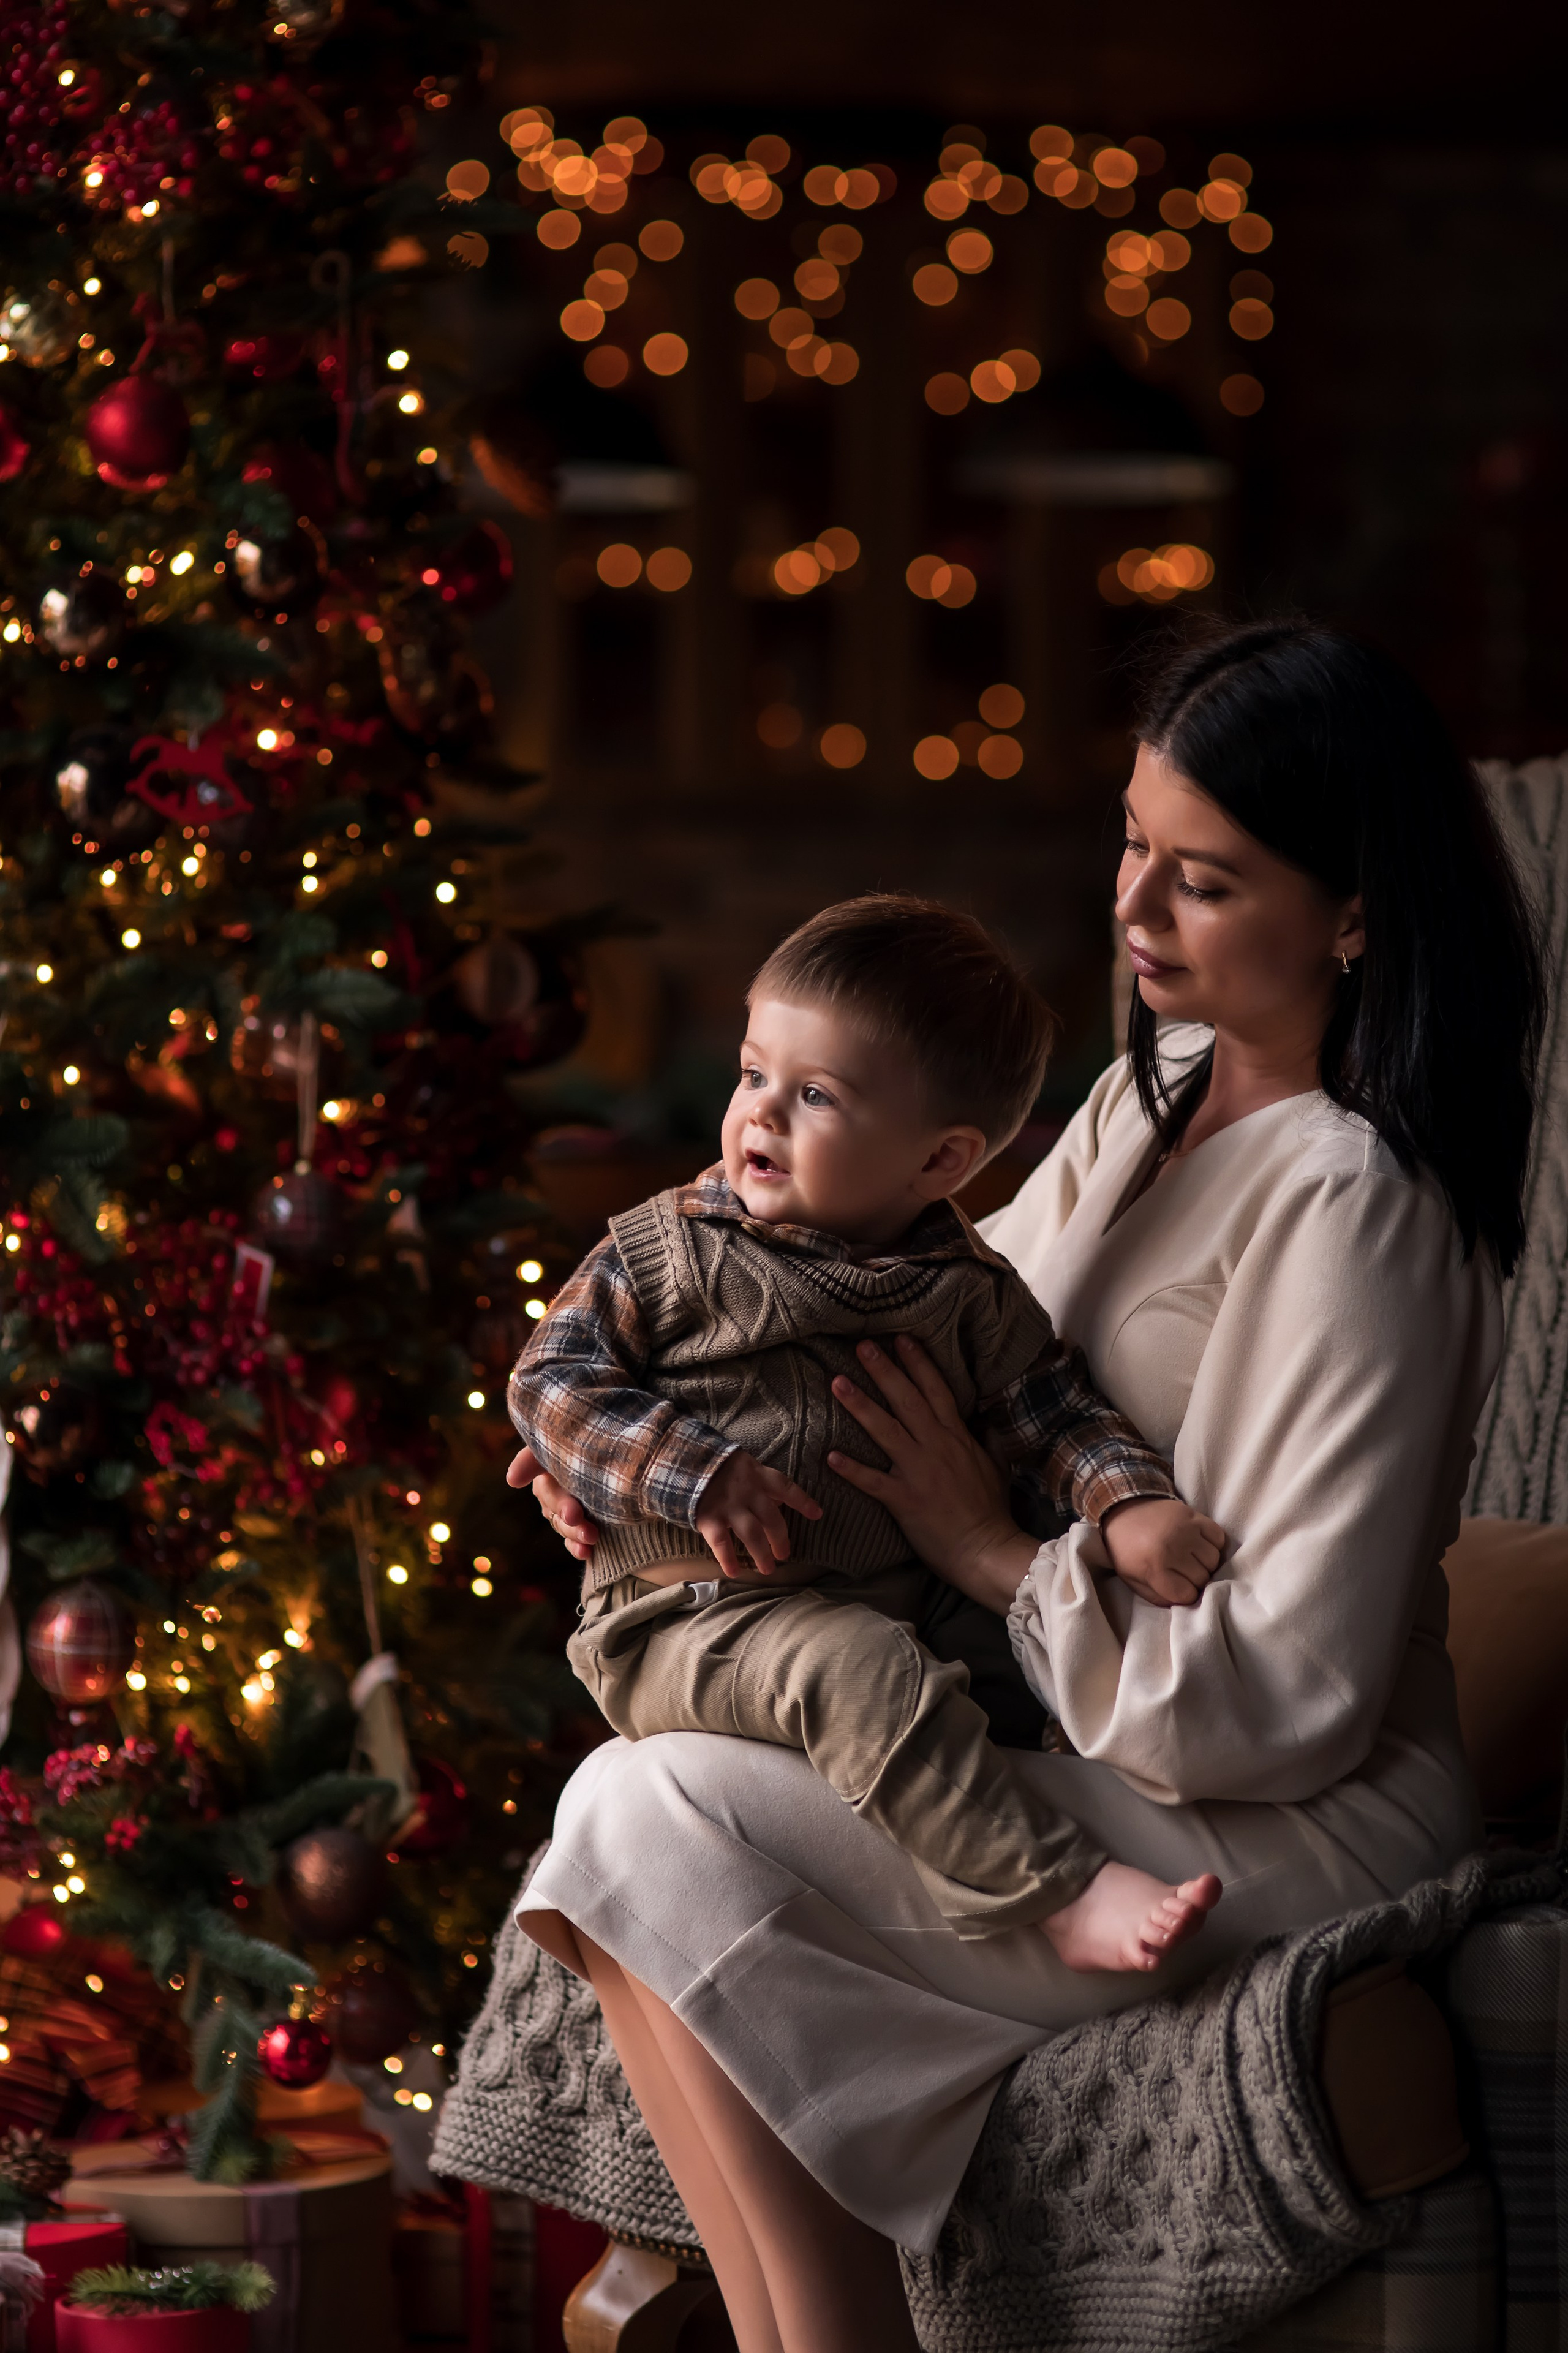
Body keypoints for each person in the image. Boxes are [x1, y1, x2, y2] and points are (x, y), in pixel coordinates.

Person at [506, 619, 1544, 2353]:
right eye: (1133, 838)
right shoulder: (1160, 1099)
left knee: (639, 1812)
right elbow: (907, 1311)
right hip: (1088, 1738)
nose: (1134, 908)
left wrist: (991, 1552)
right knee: (637, 1803)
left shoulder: (1359, 1200)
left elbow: (1289, 1692)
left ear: (1354, 913)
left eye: (1203, 880)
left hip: (1280, 1812)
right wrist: (643, 1465)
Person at [508, 896, 1227, 1970]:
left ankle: (1005, 1832)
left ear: (940, 1162)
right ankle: (1052, 1892)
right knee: (857, 1666)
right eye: (754, 1075)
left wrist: (1127, 1502)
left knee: (1022, 1641)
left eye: (814, 1095)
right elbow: (551, 1379)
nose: (759, 1116)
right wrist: (693, 1474)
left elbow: (1055, 1412)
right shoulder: (668, 1251)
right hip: (684, 1617)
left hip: (890, 1597)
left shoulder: (970, 1296)